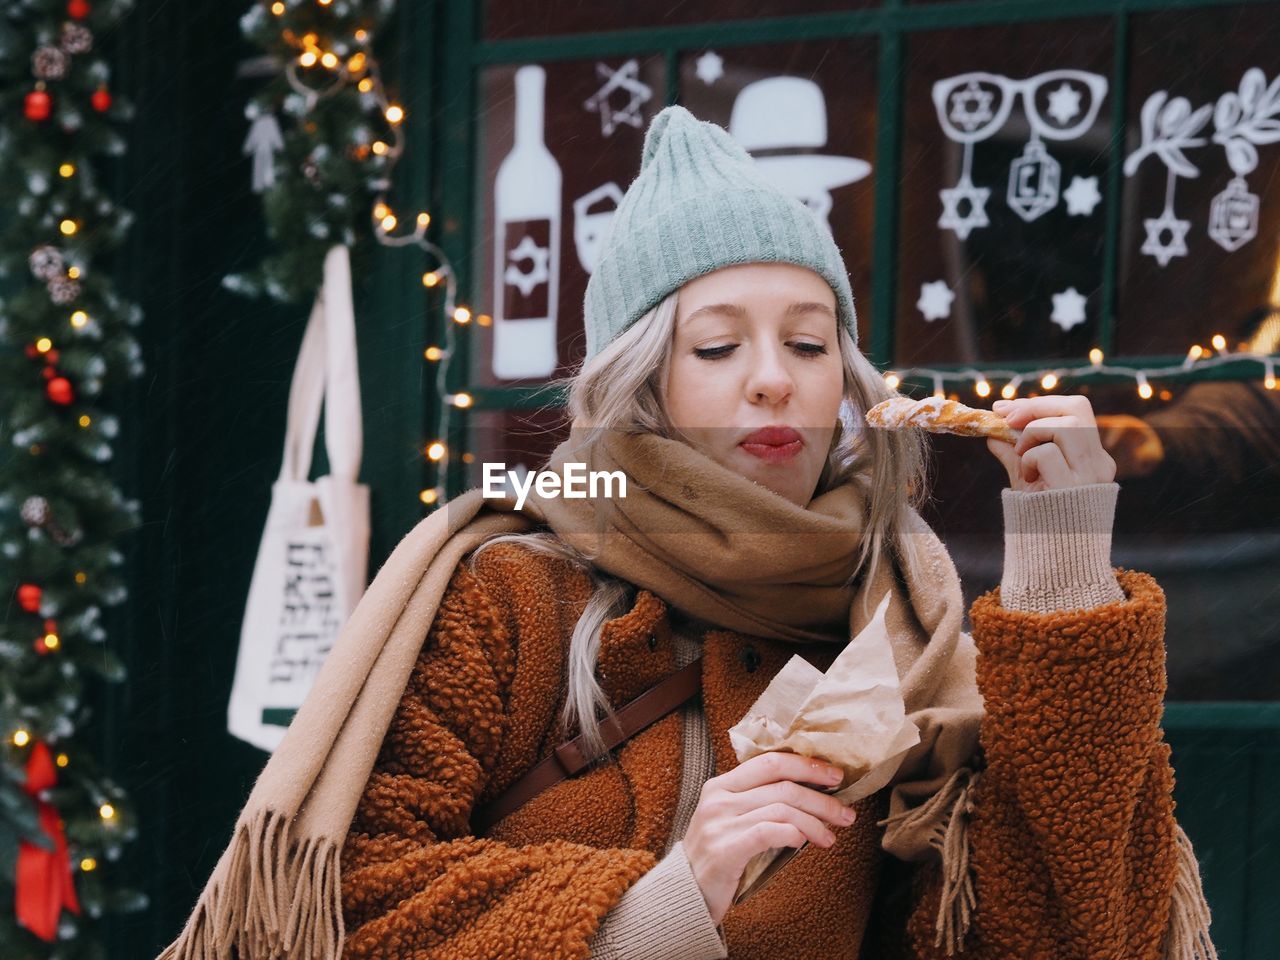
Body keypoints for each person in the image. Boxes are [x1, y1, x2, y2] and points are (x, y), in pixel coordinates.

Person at [157, 106, 1216, 960]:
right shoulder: (508, 590)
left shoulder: (904, 626)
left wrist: (1062, 571)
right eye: (716, 346)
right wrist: (663, 905)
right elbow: (354, 905)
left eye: (807, 342)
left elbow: (1079, 931)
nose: (771, 375)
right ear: (643, 386)